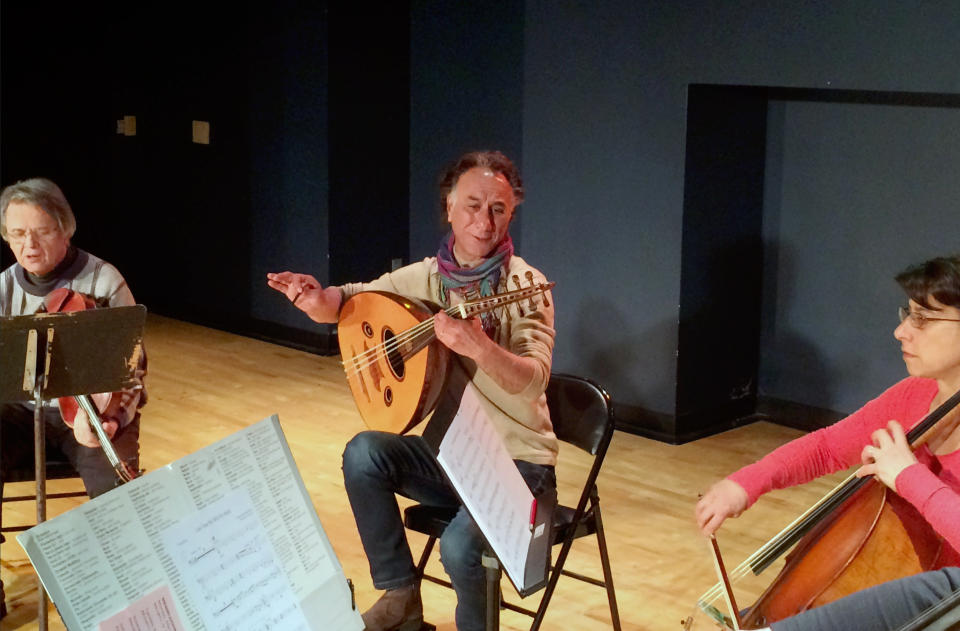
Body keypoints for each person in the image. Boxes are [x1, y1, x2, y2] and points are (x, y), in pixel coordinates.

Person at [267, 151, 556, 631]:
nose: (484, 222)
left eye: (498, 209)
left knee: (460, 546)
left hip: (520, 465)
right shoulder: (426, 277)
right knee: (364, 453)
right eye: (472, 205)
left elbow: (535, 379)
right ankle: (401, 597)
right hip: (455, 457)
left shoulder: (527, 284)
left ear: (512, 213)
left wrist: (479, 347)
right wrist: (315, 299)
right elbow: (353, 302)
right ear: (448, 207)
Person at [695, 254, 960, 630]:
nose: (901, 331)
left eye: (923, 318)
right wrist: (746, 483)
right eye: (907, 313)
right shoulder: (915, 394)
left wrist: (907, 476)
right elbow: (828, 447)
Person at [0, 178, 146, 617]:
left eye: (41, 231)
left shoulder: (103, 279)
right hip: (21, 414)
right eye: (16, 233)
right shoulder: (4, 286)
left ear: (65, 229)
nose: (29, 244)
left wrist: (112, 418)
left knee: (113, 485)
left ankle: (120, 592)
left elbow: (133, 369)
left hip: (93, 415)